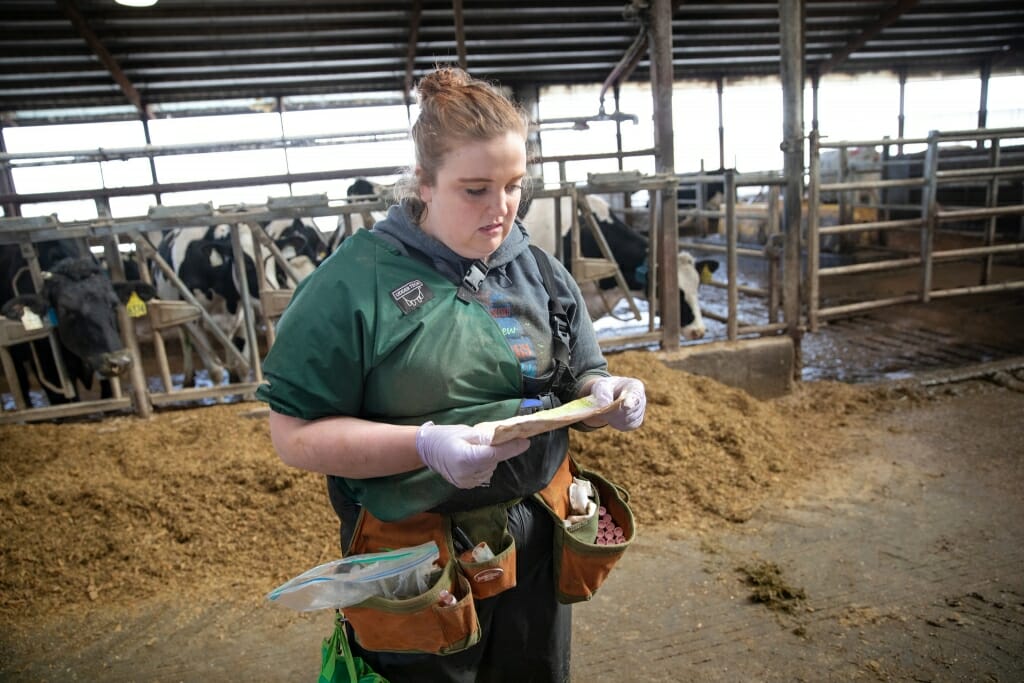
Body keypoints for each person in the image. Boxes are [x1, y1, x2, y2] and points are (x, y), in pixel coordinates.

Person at [257, 66, 646, 683]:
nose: (502, 210)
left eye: (515, 185)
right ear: (423, 182)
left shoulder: (537, 269)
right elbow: (294, 435)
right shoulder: (353, 285)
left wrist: (605, 394)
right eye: (475, 190)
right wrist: (422, 445)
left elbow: (580, 371)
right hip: (417, 558)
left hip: (537, 539)